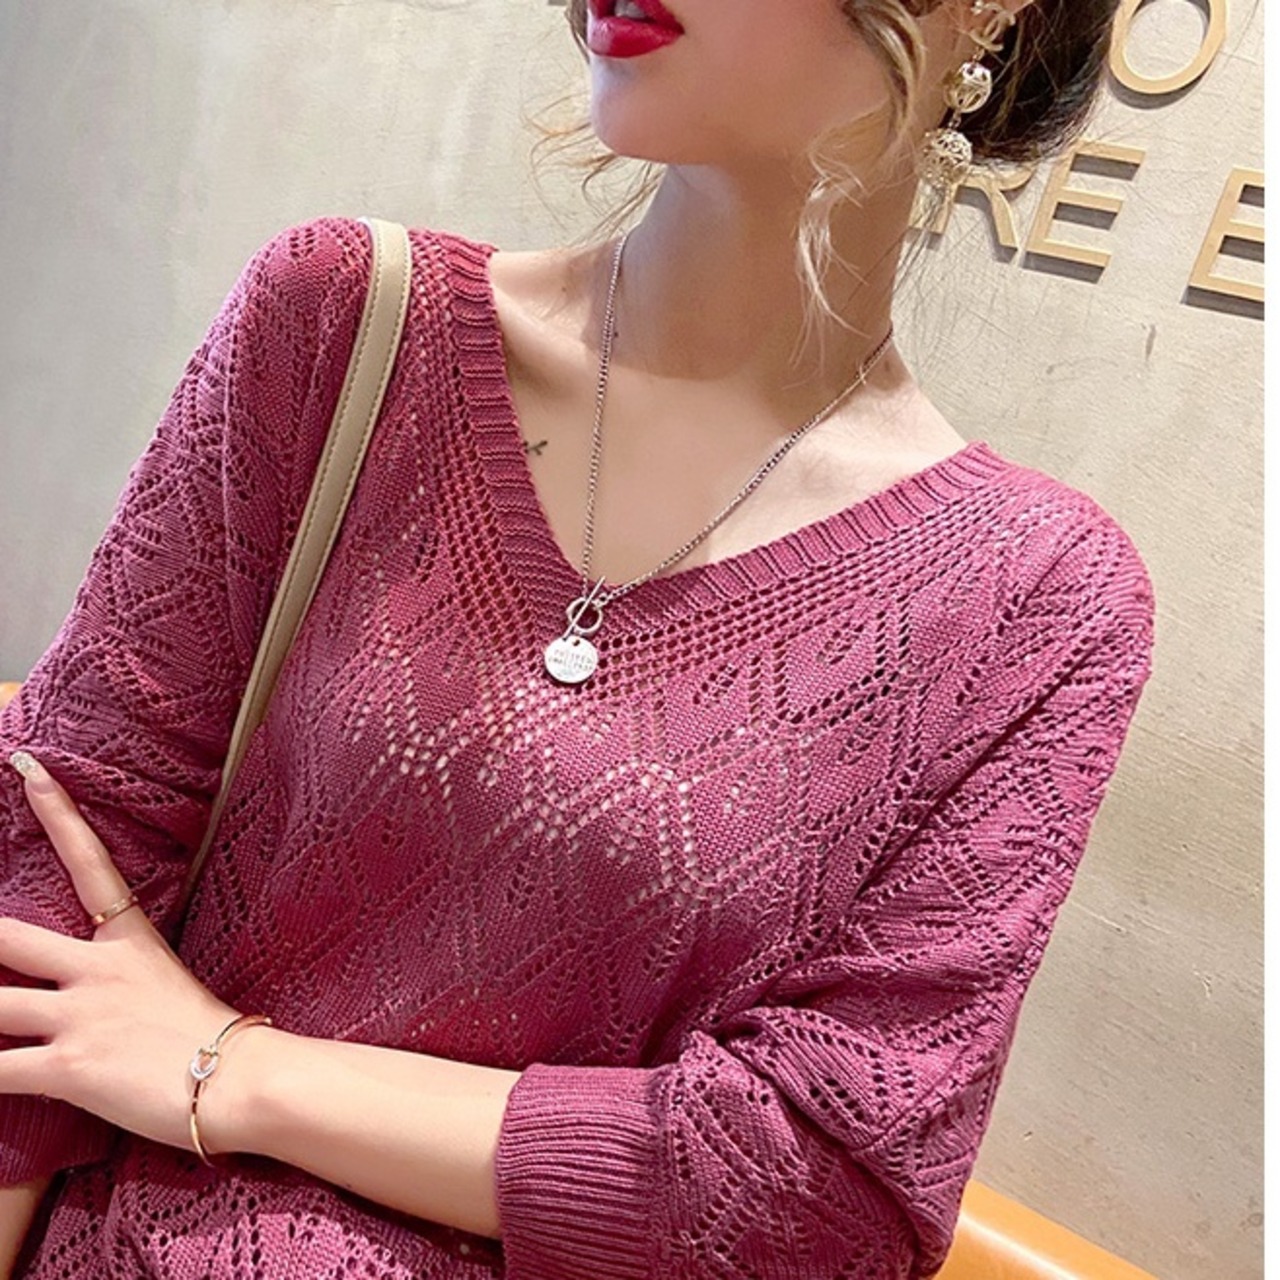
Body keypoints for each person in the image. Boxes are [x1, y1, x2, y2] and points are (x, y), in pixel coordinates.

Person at [0, 0, 1156, 1275]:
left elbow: (830, 1195)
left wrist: (236, 1071)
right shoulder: (343, 326)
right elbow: (60, 858)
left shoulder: (1035, 600)